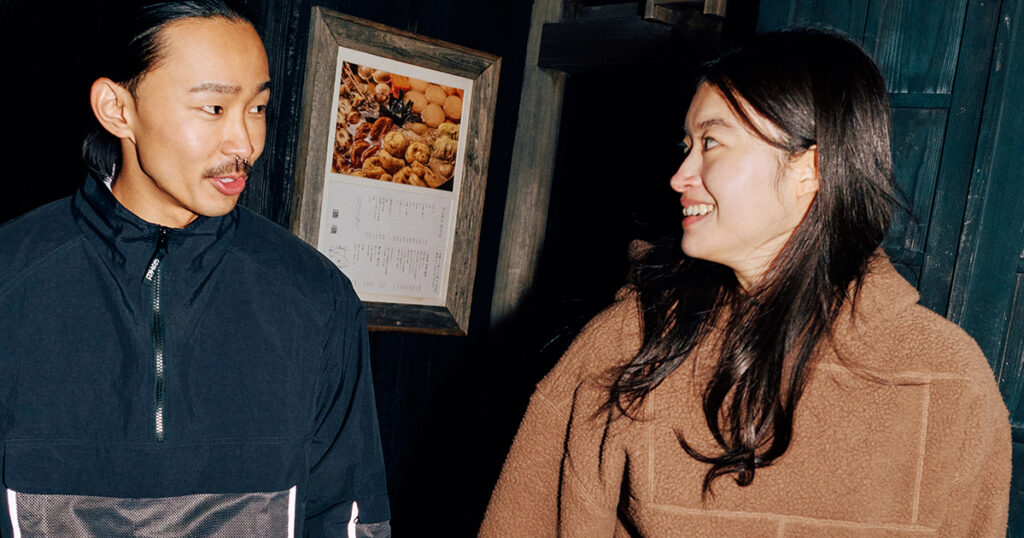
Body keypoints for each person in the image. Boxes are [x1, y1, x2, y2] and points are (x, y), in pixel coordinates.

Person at [480, 29, 1010, 537]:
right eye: (686, 145)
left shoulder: (949, 377)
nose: (679, 176)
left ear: (810, 169)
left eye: (711, 143)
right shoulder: (630, 342)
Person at [0, 2, 390, 536]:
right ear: (117, 109)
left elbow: (349, 515)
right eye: (214, 108)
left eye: (258, 107)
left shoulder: (316, 296)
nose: (244, 144)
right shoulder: (12, 282)